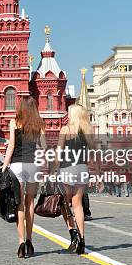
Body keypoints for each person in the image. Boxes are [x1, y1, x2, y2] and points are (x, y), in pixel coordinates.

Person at [1, 96, 46, 258]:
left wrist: (4, 167)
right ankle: (29, 240)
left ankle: (20, 243)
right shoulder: (39, 124)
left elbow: (11, 146)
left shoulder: (14, 122)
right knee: (30, 202)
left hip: (17, 166)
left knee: (19, 204)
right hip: (33, 165)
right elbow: (43, 148)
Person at [55, 104, 90, 255]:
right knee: (78, 205)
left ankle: (73, 233)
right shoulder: (87, 130)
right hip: (82, 169)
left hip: (67, 169)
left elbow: (58, 152)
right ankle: (82, 239)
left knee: (65, 203)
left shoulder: (65, 130)